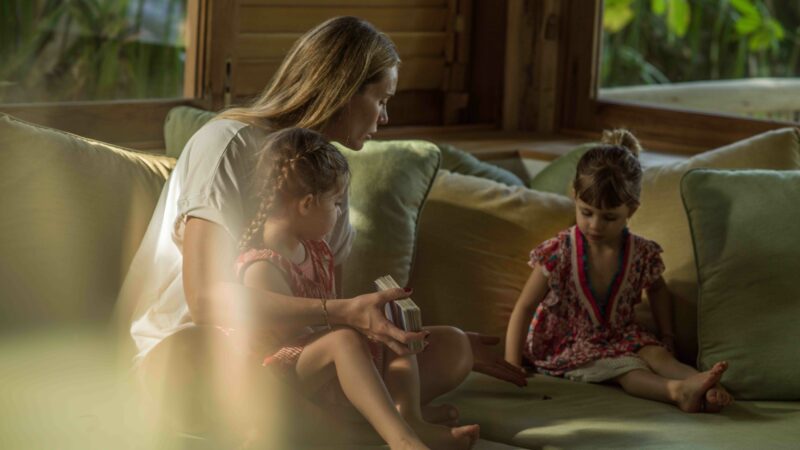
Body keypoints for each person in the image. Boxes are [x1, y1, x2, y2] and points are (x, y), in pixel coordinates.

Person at [117, 16, 524, 447]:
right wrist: (344, 312)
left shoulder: (330, 177)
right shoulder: (228, 143)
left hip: (286, 362)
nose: (385, 116)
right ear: (345, 90)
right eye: (382, 99)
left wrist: (396, 335)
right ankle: (359, 429)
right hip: (199, 352)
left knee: (451, 347)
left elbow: (318, 312)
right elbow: (204, 302)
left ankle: (334, 422)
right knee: (196, 350)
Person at [234, 127, 480, 449]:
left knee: (396, 331)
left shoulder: (318, 251)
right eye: (336, 203)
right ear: (307, 204)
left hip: (322, 360)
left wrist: (378, 324)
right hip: (276, 374)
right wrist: (349, 327)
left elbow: (331, 318)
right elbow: (285, 336)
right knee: (344, 341)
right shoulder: (262, 265)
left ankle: (407, 416)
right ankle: (404, 440)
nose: (339, 213)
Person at [504, 129, 734, 413]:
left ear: (631, 210)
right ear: (575, 197)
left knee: (659, 356)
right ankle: (677, 392)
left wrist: (668, 335)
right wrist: (512, 365)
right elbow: (524, 307)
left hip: (621, 336)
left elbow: (658, 289)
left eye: (609, 217)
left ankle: (707, 386)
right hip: (569, 344)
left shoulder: (641, 254)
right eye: (586, 212)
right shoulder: (558, 254)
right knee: (627, 370)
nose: (596, 225)